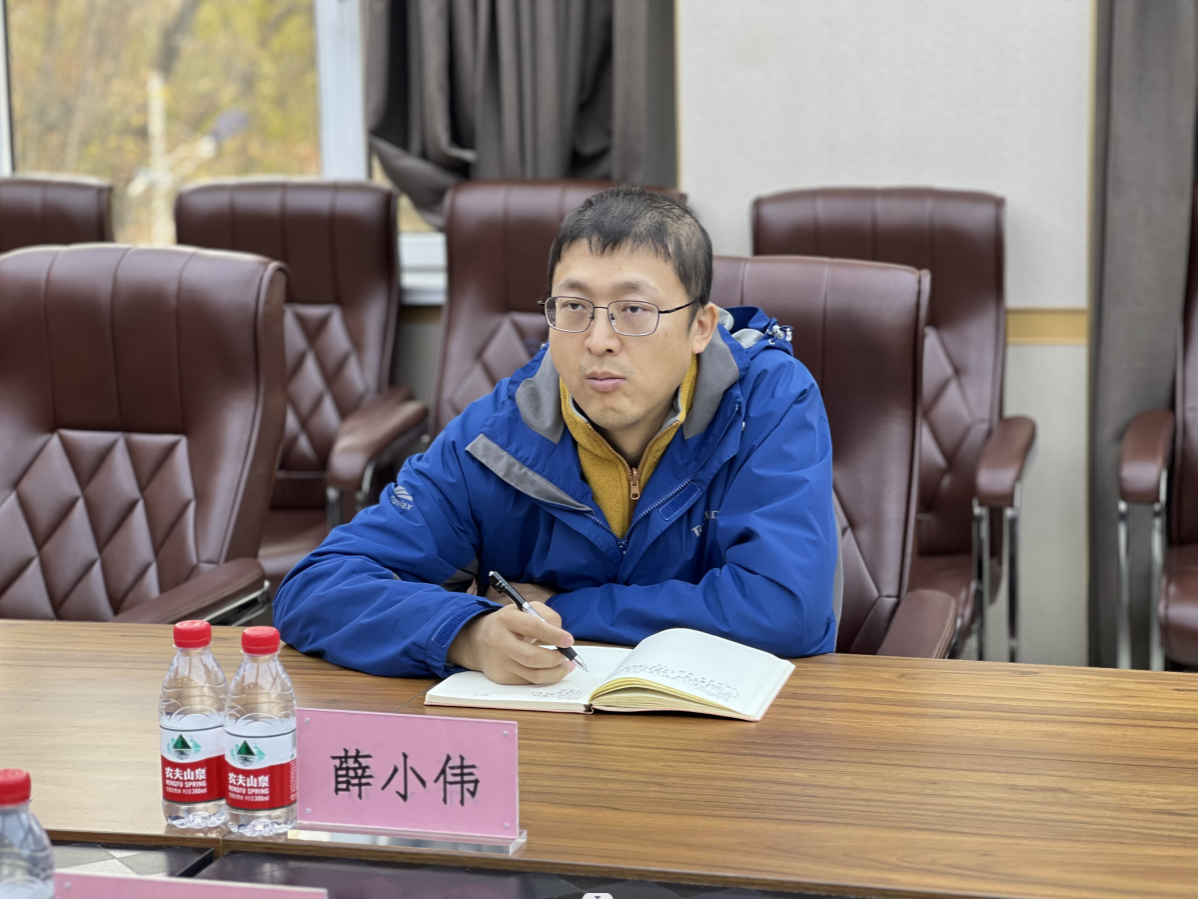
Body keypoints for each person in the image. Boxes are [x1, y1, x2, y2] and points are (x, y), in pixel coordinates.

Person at [274, 187, 838, 683]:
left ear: (701, 327)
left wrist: (568, 610)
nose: (599, 340)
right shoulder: (499, 434)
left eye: (634, 310)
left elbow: (786, 610)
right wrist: (467, 634)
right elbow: (317, 588)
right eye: (573, 307)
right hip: (549, 733)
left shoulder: (767, 400)